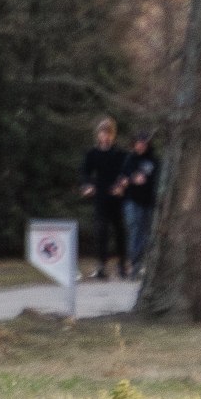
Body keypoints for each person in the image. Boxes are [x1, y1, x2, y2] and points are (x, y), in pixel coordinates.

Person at [79, 118, 130, 281]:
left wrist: (122, 186)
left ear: (113, 135)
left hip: (116, 196)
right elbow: (85, 172)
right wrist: (87, 185)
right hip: (100, 196)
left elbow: (126, 172)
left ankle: (122, 265)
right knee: (101, 231)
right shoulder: (92, 154)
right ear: (98, 135)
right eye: (103, 134)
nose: (106, 137)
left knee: (119, 231)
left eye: (109, 134)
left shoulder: (120, 154)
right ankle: (101, 265)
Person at [122, 133, 159, 279]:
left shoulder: (154, 161)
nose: (140, 145)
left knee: (146, 233)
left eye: (143, 143)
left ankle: (142, 263)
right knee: (134, 228)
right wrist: (133, 179)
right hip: (132, 200)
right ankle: (134, 262)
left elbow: (157, 179)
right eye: (138, 143)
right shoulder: (130, 159)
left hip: (148, 201)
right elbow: (123, 176)